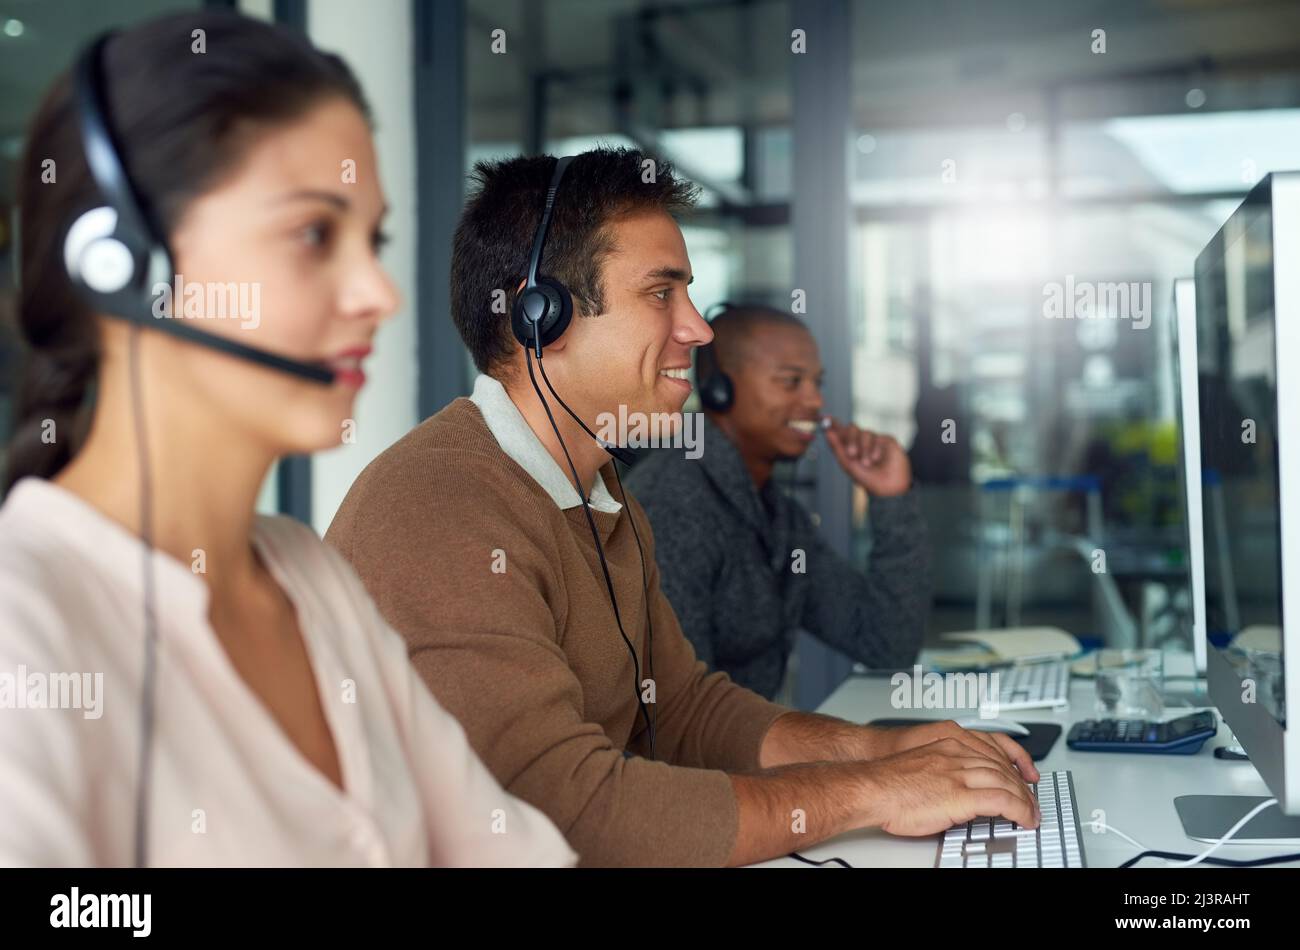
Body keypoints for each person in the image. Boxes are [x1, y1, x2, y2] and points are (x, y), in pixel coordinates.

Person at [326, 147, 1040, 867]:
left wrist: (885, 748)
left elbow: (685, 707)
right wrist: (872, 790)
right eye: (662, 293)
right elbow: (561, 810)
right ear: (540, 315)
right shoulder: (440, 509)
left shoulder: (608, 499)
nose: (697, 329)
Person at [0, 10, 573, 868]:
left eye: (371, 240)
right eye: (314, 233)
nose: (380, 292)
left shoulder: (311, 576)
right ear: (118, 265)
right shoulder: (27, 629)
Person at [626, 304, 930, 700]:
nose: (814, 402)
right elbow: (678, 713)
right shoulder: (672, 505)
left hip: (739, 756)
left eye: (817, 383)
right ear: (720, 389)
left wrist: (891, 499)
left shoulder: (778, 518)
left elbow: (886, 641)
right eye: (791, 382)